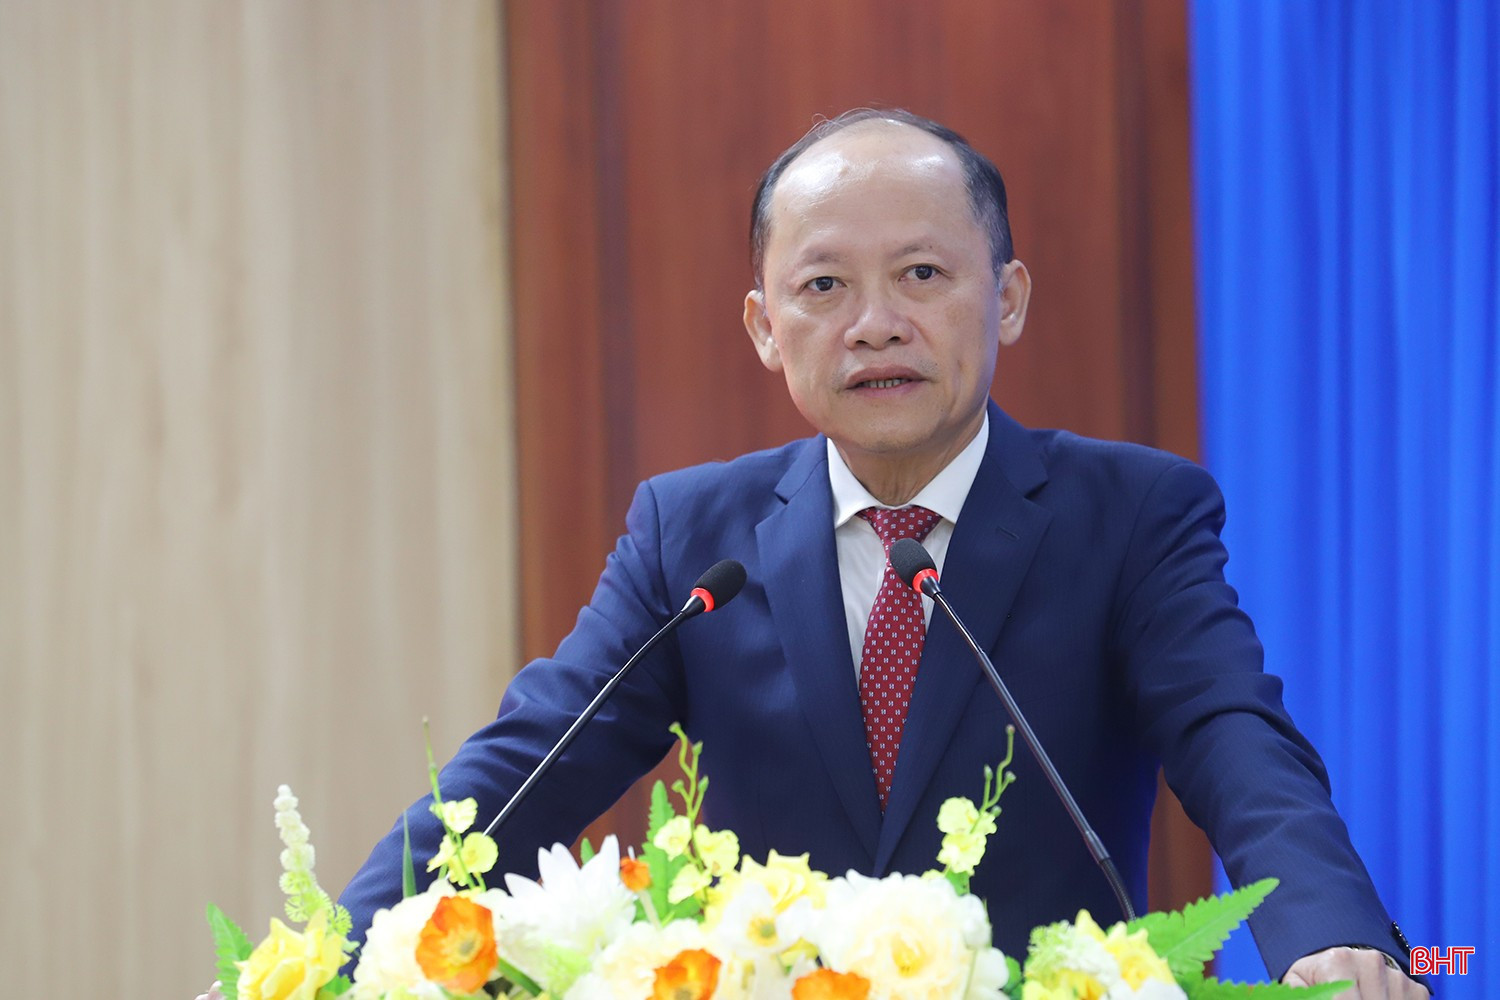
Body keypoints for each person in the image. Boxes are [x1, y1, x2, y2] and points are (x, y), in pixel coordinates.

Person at [336, 109, 1427, 996]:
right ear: (765, 328)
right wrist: (327, 959)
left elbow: (1235, 738)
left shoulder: (1132, 514)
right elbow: (529, 761)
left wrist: (1328, 931)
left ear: (1007, 298)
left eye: (921, 274)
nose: (874, 324)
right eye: (824, 286)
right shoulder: (693, 536)